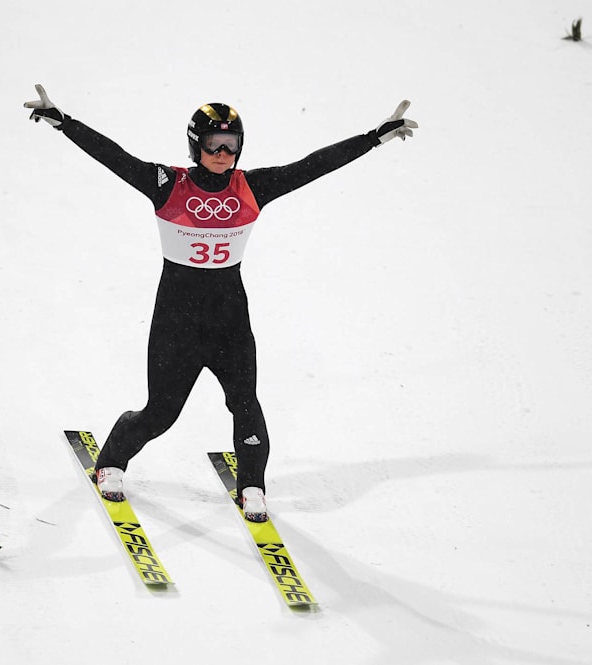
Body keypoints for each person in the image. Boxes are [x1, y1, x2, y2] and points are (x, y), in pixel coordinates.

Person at [25, 84, 417, 522]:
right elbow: (114, 157)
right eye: (214, 143)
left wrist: (372, 138)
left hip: (229, 321)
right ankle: (113, 459)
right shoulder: (166, 184)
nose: (223, 153)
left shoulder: (252, 187)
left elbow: (313, 166)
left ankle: (252, 485)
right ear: (196, 145)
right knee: (161, 414)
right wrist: (64, 122)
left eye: (231, 144)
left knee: (245, 402)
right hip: (176, 323)